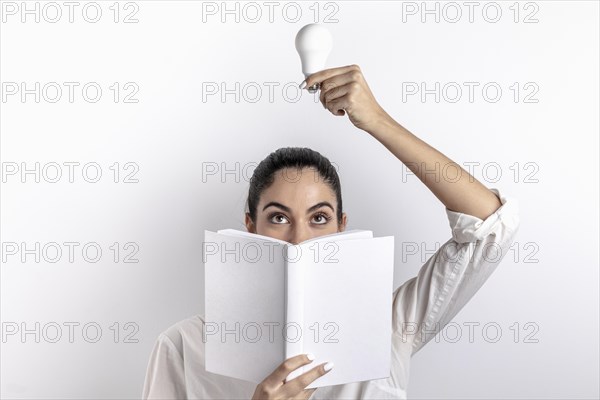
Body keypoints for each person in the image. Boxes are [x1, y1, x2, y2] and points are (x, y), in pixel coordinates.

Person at [142, 65, 520, 399]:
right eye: (278, 217)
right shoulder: (183, 346)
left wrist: (376, 119)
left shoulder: (388, 326)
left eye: (319, 218)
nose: (299, 239)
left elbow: (488, 226)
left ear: (341, 227)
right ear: (250, 226)